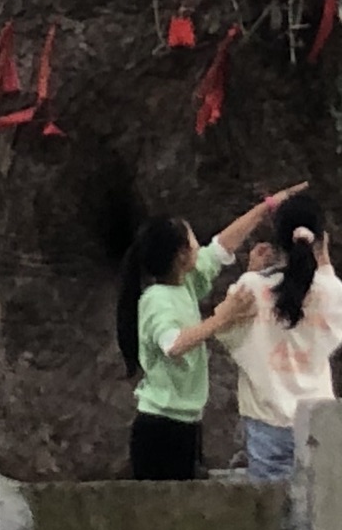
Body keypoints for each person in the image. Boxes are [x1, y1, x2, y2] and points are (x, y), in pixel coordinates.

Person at [116, 184, 305, 479]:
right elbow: (173, 344)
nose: (198, 246)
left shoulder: (185, 283)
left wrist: (266, 207)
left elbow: (222, 246)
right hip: (161, 427)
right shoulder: (156, 299)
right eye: (192, 241)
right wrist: (222, 317)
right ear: (181, 256)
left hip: (187, 423)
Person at [218, 189, 342, 482]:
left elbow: (224, 328)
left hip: (268, 421)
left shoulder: (250, 289)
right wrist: (323, 261)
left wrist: (249, 273)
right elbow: (334, 330)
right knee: (319, 515)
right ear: (321, 239)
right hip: (318, 421)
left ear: (278, 241)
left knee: (273, 516)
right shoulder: (332, 290)